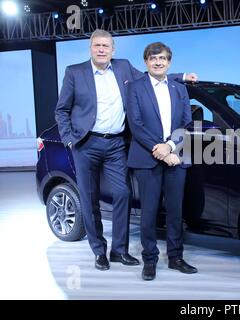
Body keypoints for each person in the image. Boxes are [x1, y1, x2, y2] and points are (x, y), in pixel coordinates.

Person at [54, 29, 197, 271]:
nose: (101, 49)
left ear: (113, 50)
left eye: (106, 46)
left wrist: (181, 76)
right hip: (86, 143)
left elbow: (152, 77)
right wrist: (70, 139)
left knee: (122, 194)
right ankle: (99, 251)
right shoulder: (74, 72)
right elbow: (62, 110)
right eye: (97, 45)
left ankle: (119, 251)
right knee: (89, 200)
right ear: (91, 48)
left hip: (116, 144)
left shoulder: (122, 68)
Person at [126, 42, 196, 281]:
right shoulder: (135, 88)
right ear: (146, 62)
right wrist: (161, 149)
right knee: (149, 213)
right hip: (147, 158)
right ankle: (150, 260)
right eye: (153, 58)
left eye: (163, 58)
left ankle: (176, 257)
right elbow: (135, 124)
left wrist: (170, 146)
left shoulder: (179, 89)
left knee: (176, 212)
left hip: (176, 157)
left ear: (169, 62)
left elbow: (186, 123)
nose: (158, 62)